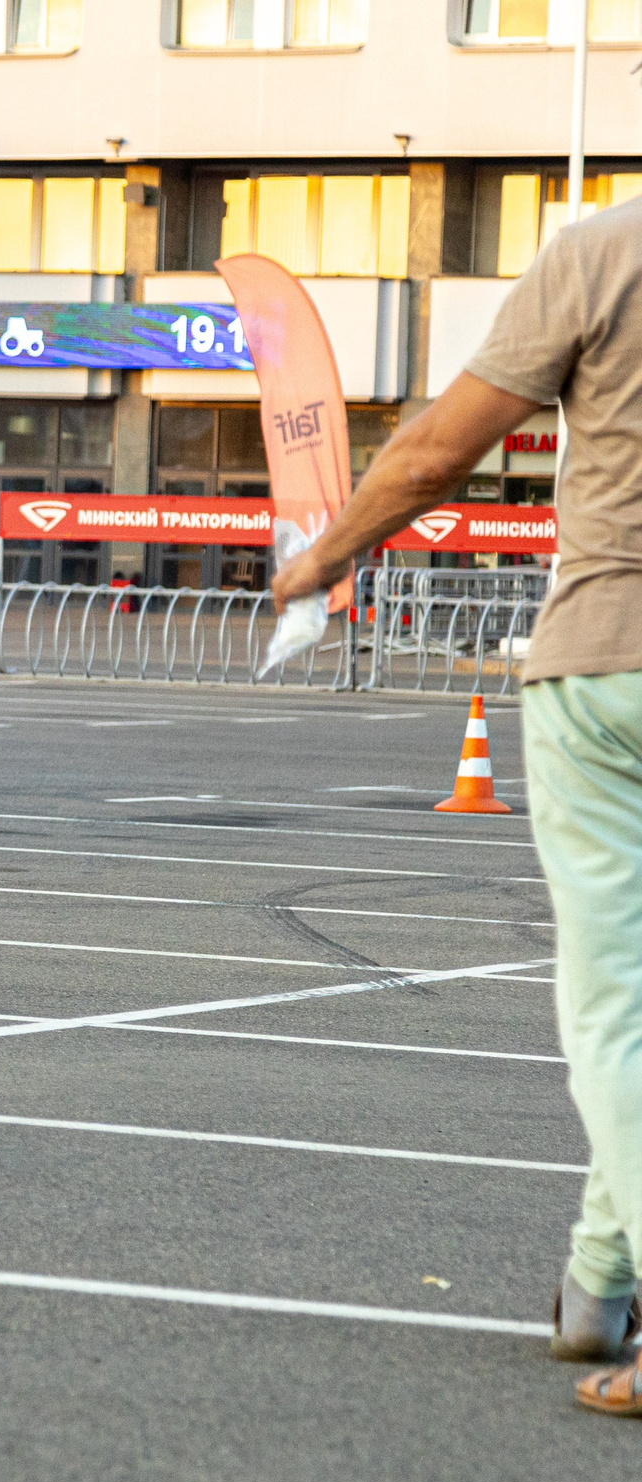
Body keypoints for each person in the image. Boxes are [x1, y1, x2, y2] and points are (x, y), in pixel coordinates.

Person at [271, 195, 642, 1416]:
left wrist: (328, 553)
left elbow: (441, 449)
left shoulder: (604, 247)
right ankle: (595, 1285)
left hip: (609, 661)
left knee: (615, 1002)